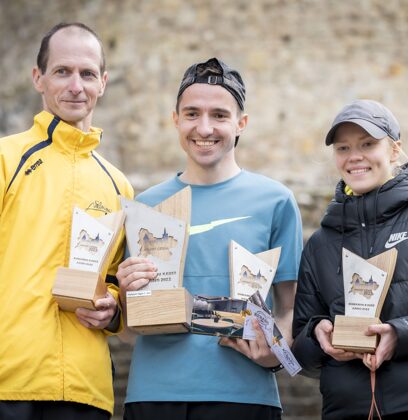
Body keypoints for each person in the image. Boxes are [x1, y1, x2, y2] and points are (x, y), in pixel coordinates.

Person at [117, 57, 303, 420]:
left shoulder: (276, 201)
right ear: (175, 119)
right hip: (153, 395)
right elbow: (126, 331)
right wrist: (126, 294)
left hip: (245, 396)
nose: (204, 128)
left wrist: (274, 353)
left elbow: (290, 307)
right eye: (192, 114)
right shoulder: (146, 205)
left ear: (241, 123)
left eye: (219, 115)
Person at [0, 22, 133, 420]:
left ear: (102, 83)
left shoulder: (120, 186)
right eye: (62, 71)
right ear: (38, 78)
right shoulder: (6, 159)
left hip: (84, 390)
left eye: (87, 74)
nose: (76, 86)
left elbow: (116, 282)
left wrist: (112, 310)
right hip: (8, 381)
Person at [292, 99, 408, 419]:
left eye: (367, 144)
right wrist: (317, 335)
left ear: (394, 149)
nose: (354, 156)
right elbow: (300, 355)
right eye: (343, 148)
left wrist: (401, 334)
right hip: (344, 411)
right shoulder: (320, 243)